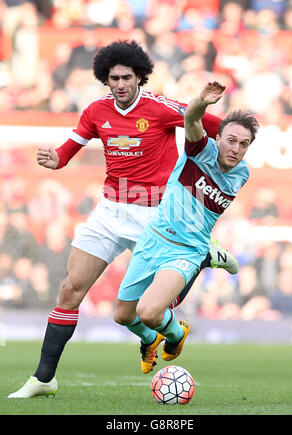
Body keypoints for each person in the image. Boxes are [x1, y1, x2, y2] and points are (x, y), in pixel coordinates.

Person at [8, 41, 237, 399]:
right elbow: (70, 148)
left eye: (126, 77)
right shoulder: (96, 111)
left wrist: (230, 148)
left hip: (156, 214)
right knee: (70, 289)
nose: (119, 84)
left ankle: (202, 257)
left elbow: (210, 123)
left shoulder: (160, 108)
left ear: (139, 77)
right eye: (113, 78)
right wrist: (56, 157)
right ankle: (44, 378)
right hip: (110, 210)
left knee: (151, 306)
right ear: (105, 79)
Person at [113, 81, 259, 374]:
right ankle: (150, 341)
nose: (236, 149)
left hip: (186, 248)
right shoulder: (200, 151)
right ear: (216, 138)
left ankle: (177, 334)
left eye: (244, 144)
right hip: (154, 237)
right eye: (231, 140)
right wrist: (202, 101)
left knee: (149, 311)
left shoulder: (242, 173)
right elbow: (191, 118)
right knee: (123, 315)